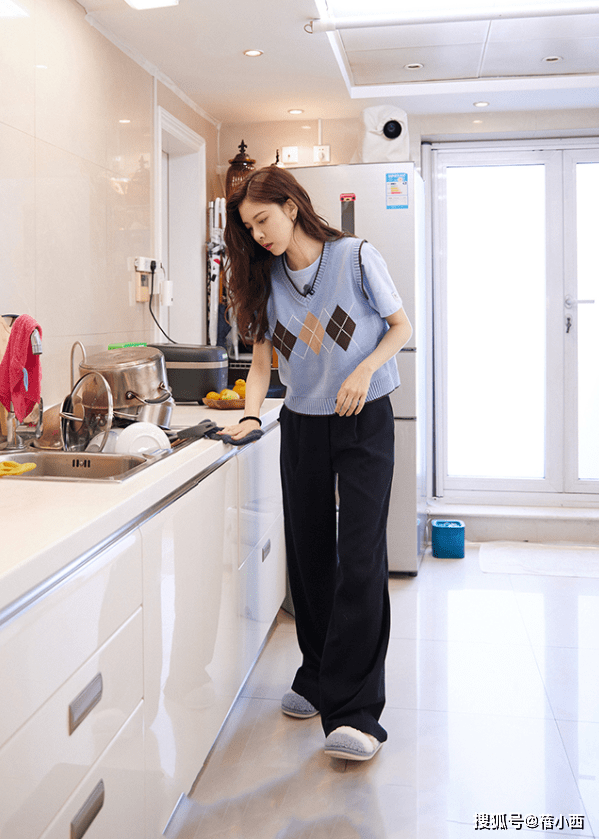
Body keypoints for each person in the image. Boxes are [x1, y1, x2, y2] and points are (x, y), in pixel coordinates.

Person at [220, 166, 412, 762]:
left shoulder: (354, 257)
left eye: (263, 220)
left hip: (365, 417)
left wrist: (362, 369)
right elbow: (259, 368)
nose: (258, 236)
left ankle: (355, 713)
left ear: (291, 207)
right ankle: (316, 672)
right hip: (302, 422)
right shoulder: (265, 280)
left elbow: (399, 327)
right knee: (308, 558)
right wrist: (253, 415)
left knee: (358, 557)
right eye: (249, 228)